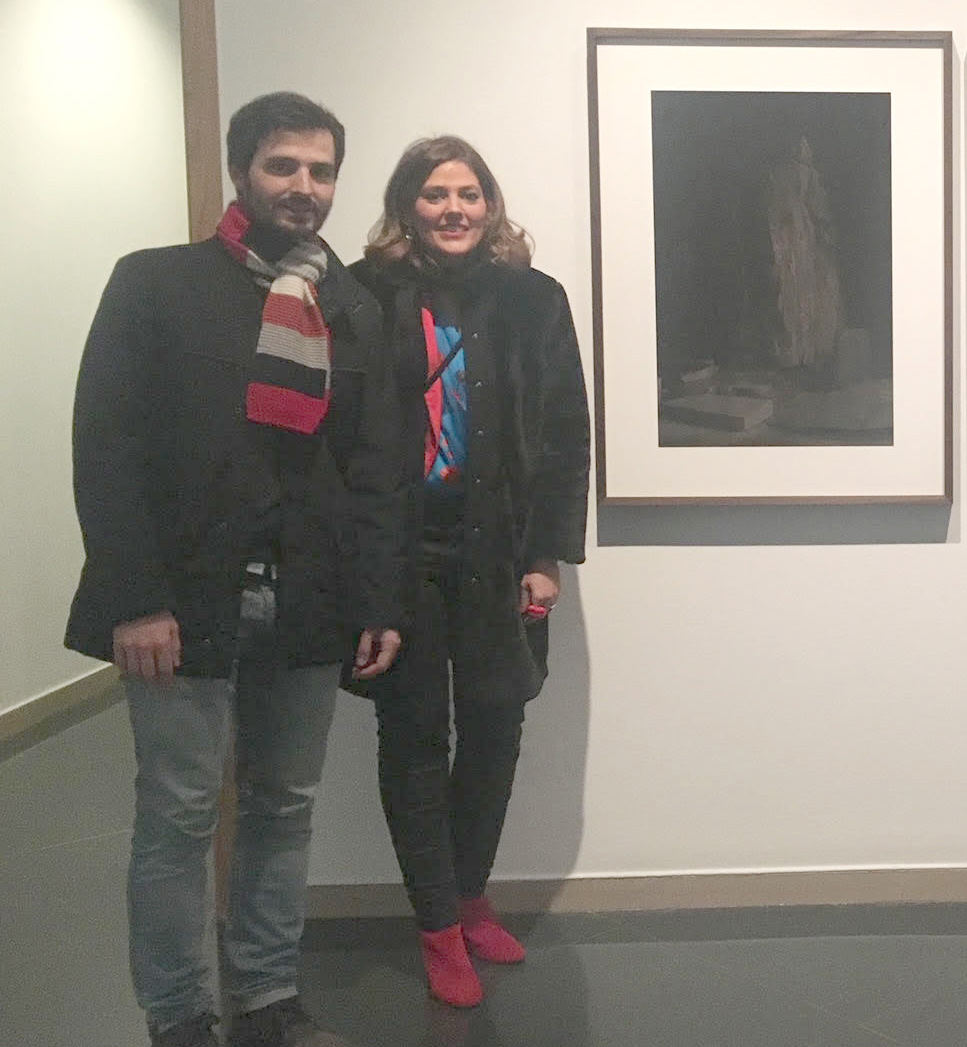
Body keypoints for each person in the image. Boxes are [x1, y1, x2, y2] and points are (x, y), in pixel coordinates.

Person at [67, 92, 407, 1047]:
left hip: (311, 595)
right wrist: (136, 600)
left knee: (284, 805)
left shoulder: (352, 305)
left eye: (322, 170)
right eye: (283, 166)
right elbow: (108, 447)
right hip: (182, 600)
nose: (305, 188)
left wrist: (379, 598)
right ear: (241, 171)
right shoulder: (155, 283)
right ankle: (178, 1016)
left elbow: (379, 463)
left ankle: (266, 994)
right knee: (177, 815)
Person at [349, 136, 591, 1008]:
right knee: (413, 734)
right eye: (434, 193)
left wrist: (545, 556)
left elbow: (566, 433)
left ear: (491, 206)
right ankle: (435, 925)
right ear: (406, 205)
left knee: (497, 724)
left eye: (469, 193)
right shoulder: (365, 293)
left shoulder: (534, 298)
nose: (453, 208)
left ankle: (472, 894)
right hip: (402, 549)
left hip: (502, 549)